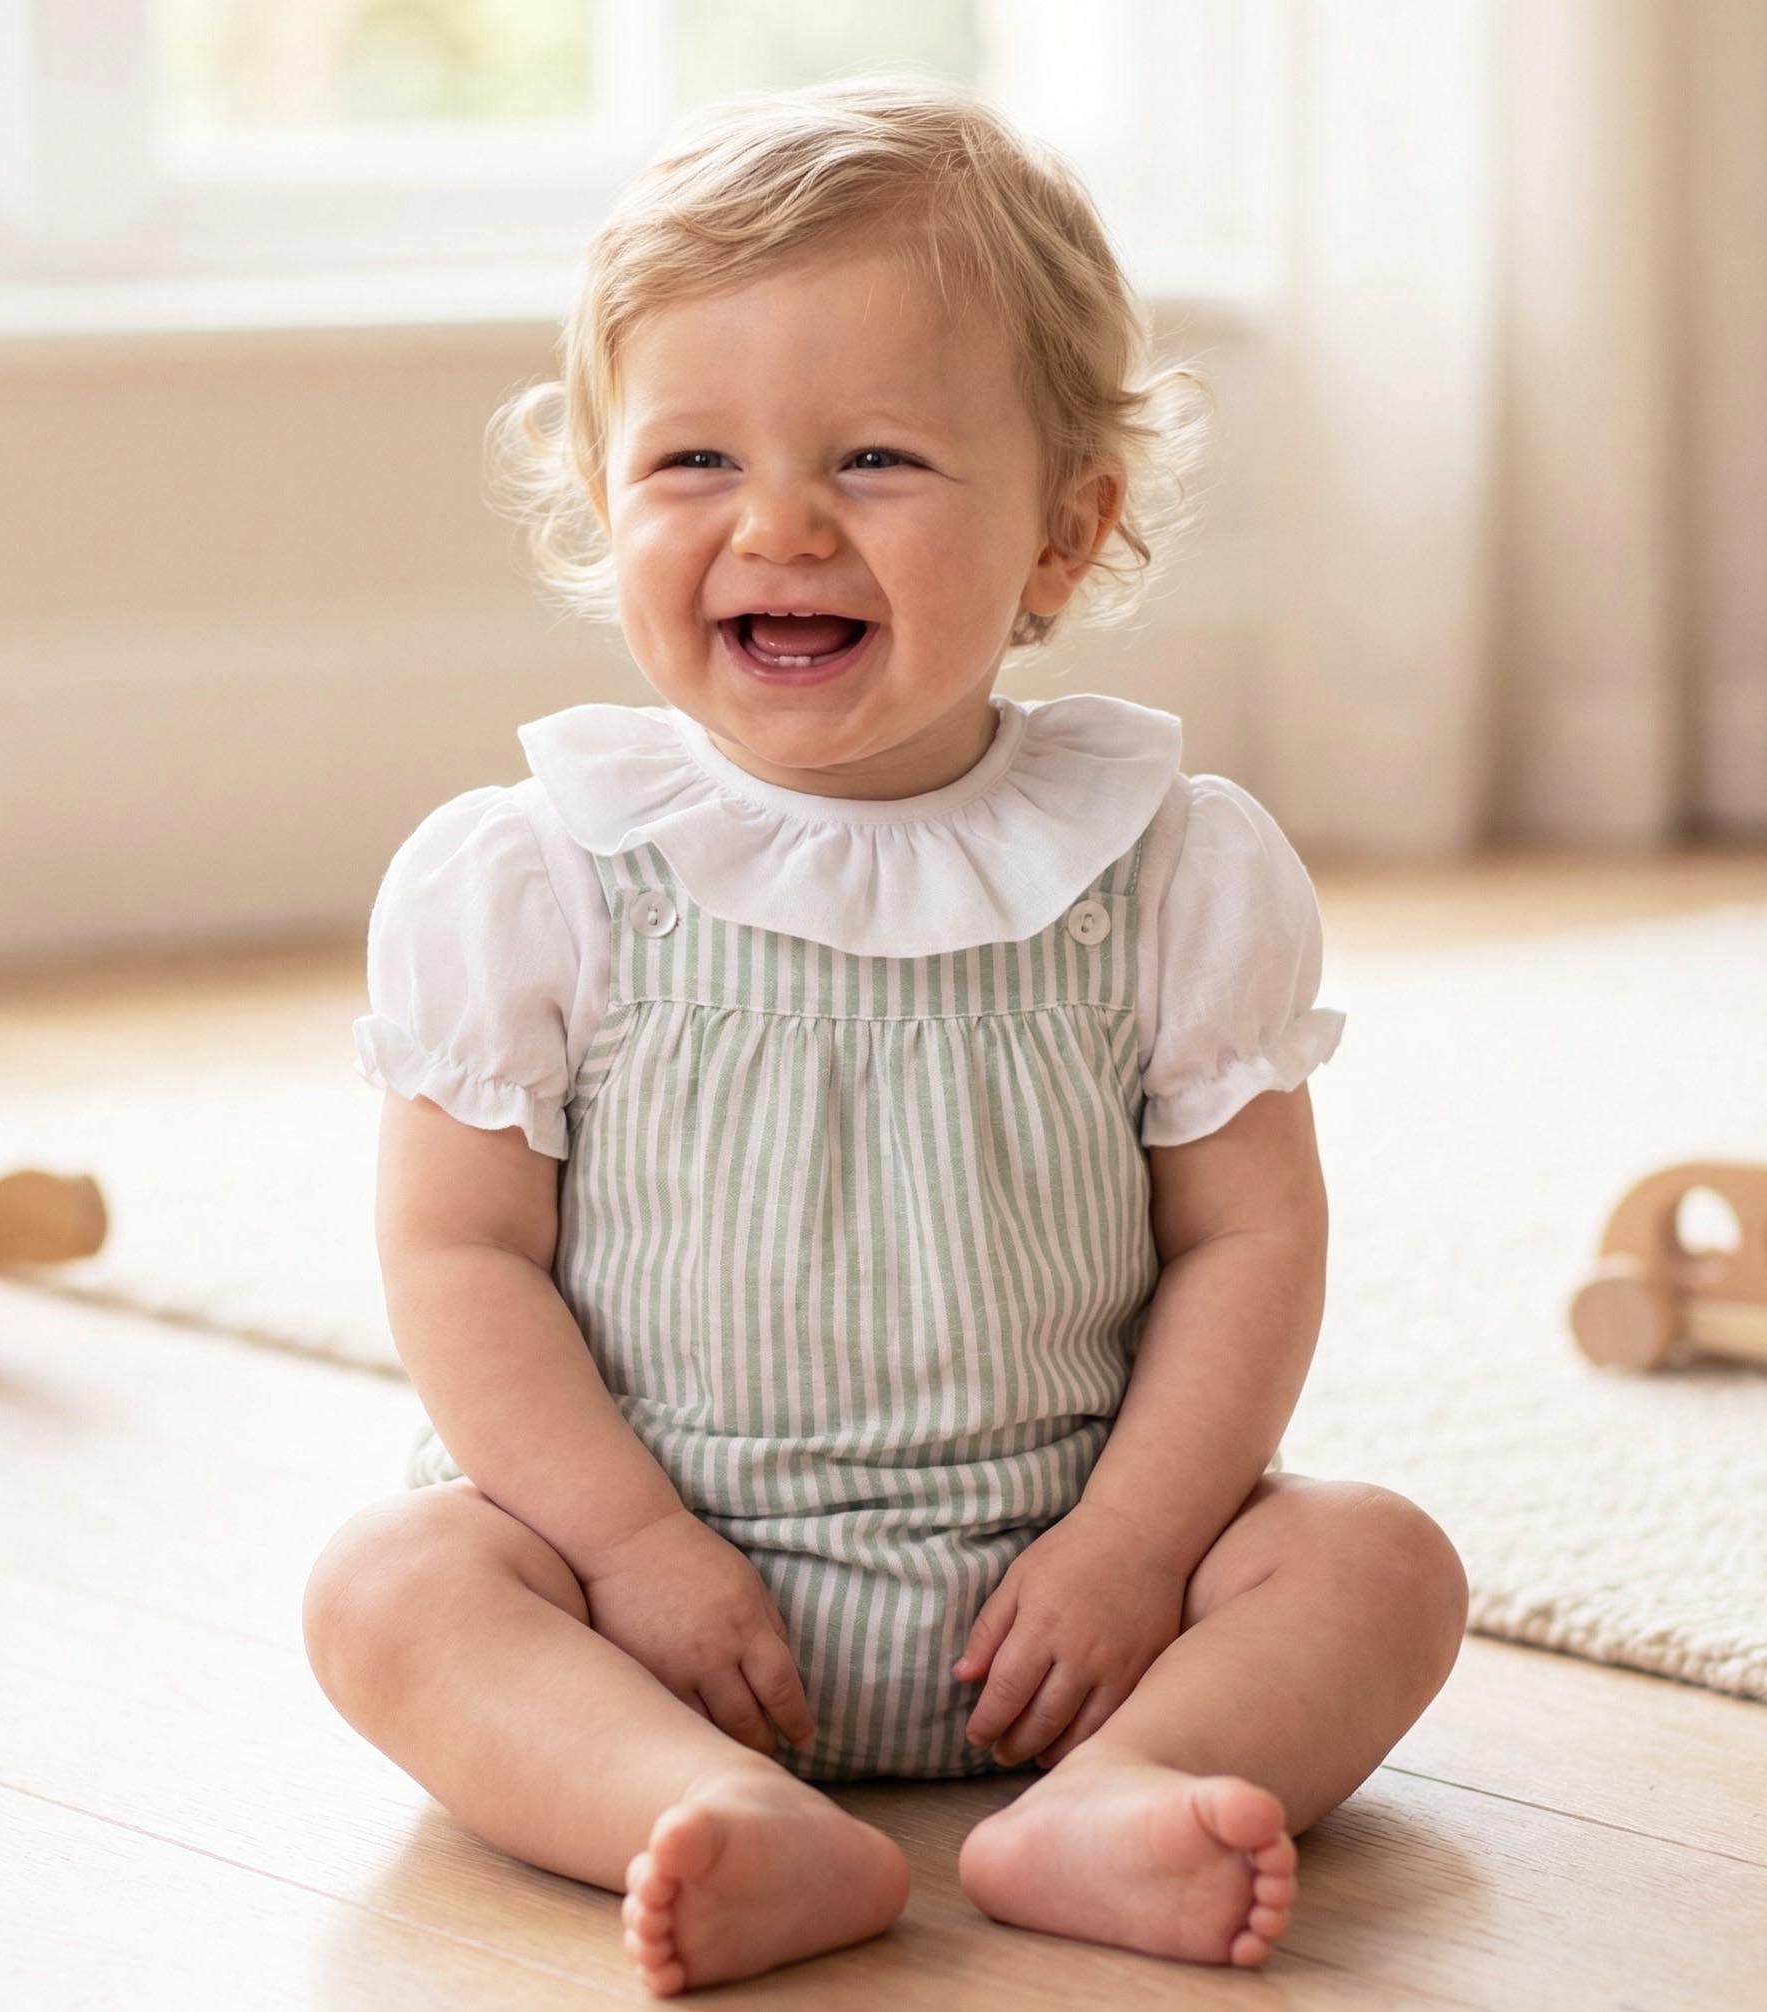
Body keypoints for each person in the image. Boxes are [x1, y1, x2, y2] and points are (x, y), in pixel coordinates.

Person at [302, 72, 1469, 1998]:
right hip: (650, 1594)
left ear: (1062, 538)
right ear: (603, 504)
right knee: (389, 1586)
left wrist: (1132, 1545)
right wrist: (634, 1553)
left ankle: (1125, 1790)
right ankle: (695, 1804)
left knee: (1379, 1562)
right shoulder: (537, 875)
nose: (779, 524)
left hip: (1071, 1593)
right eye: (691, 465)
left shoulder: (1171, 868)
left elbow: (1248, 1242)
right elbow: (460, 1253)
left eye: (874, 462)